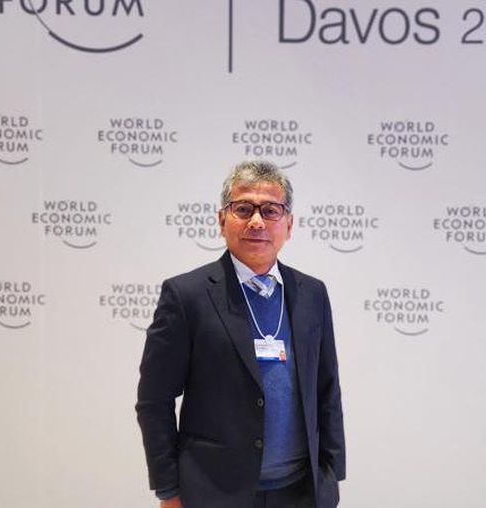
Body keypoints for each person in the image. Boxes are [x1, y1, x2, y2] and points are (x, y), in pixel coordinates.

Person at [136, 160, 345, 508]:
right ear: (222, 220)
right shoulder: (186, 296)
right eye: (243, 209)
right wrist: (168, 490)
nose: (257, 221)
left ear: (289, 224)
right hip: (213, 491)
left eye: (271, 210)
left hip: (300, 492)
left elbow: (327, 388)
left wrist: (331, 475)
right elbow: (154, 400)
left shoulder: (312, 293)